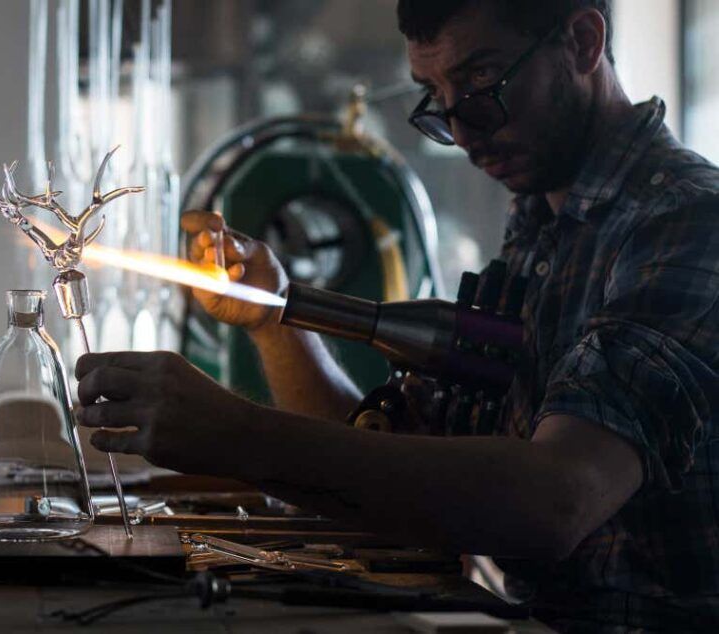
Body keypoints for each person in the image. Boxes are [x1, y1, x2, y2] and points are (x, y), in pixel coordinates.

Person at [75, 1, 719, 629]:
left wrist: (237, 436)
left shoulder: (687, 225)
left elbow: (557, 499)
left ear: (581, 42)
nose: (463, 130)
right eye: (435, 96)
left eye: (480, 81)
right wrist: (274, 322)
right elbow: (387, 462)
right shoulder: (543, 227)